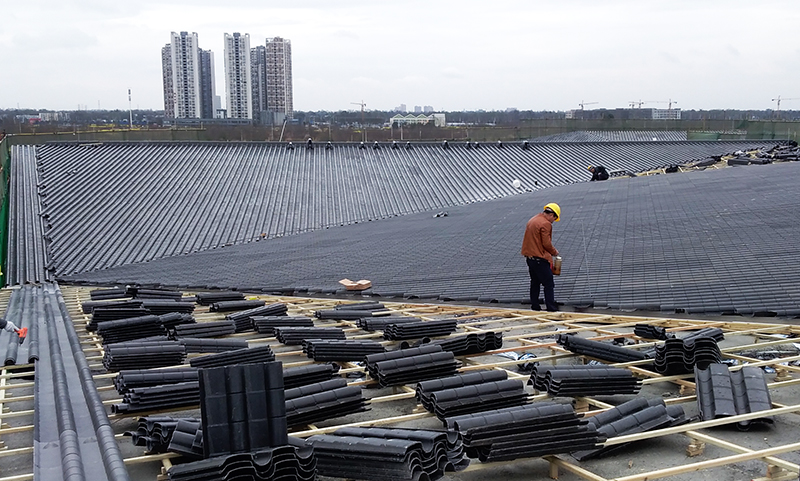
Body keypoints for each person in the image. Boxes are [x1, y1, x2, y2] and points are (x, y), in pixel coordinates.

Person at [521, 203, 561, 312]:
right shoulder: (545, 224)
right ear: (552, 215)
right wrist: (554, 252)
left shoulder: (533, 220)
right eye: (554, 218)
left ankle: (535, 306)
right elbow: (546, 243)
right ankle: (551, 308)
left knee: (535, 282)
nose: (553, 221)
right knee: (549, 284)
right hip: (540, 259)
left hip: (530, 258)